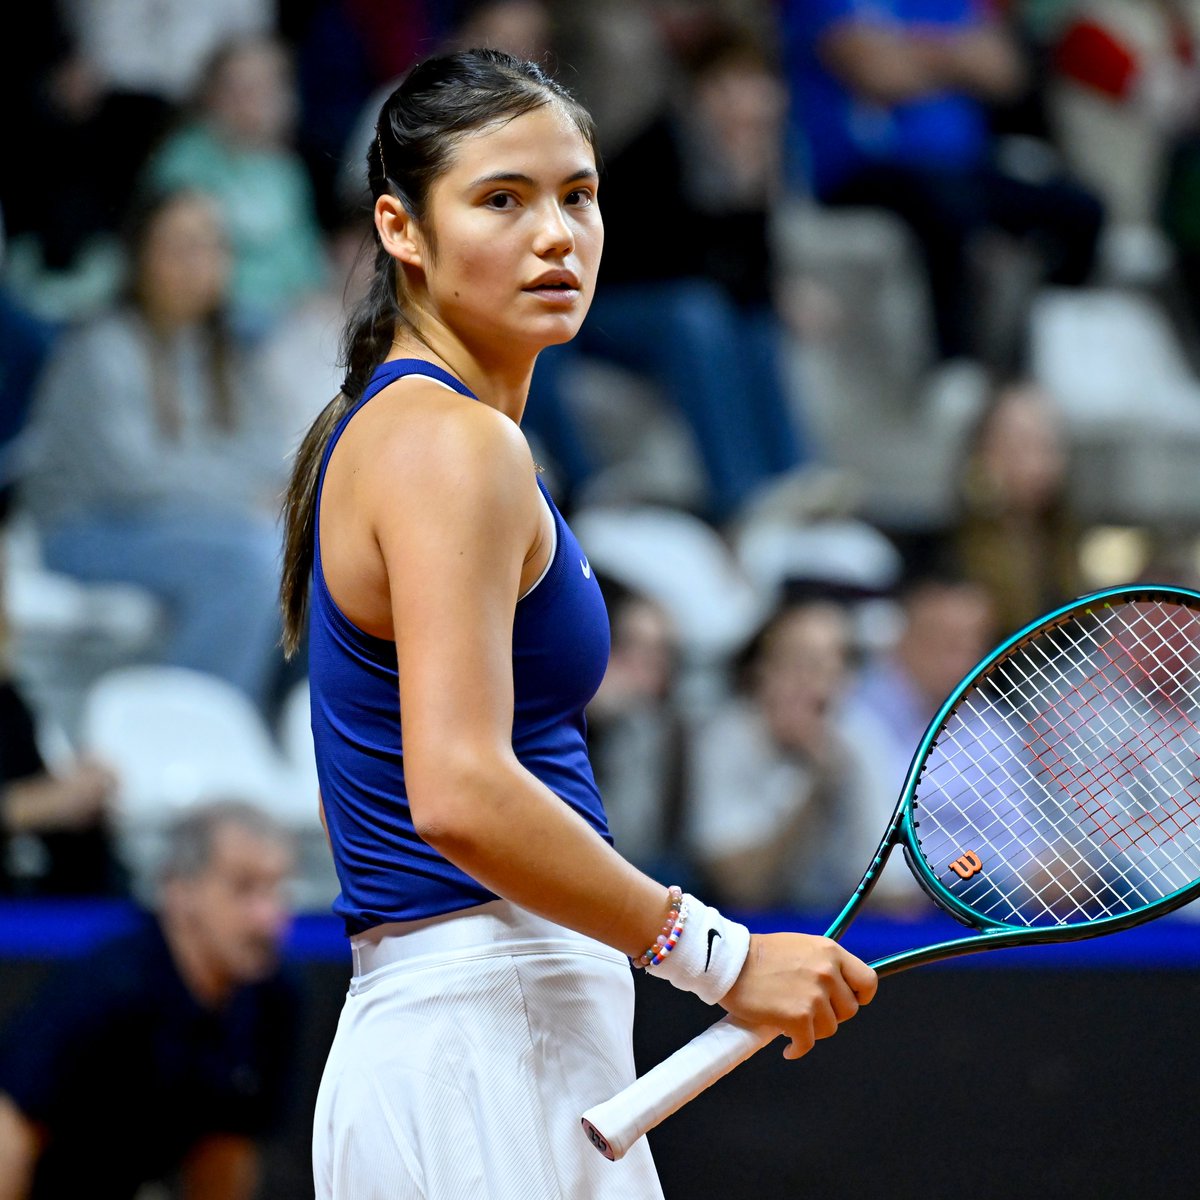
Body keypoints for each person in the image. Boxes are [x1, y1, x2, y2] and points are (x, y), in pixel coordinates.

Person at [277, 48, 877, 1200]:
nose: (557, 234)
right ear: (402, 230)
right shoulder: (454, 442)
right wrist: (722, 955)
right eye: (502, 199)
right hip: (481, 1043)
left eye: (578, 195)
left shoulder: (405, 432)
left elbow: (366, 781)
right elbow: (453, 791)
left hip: (477, 1031)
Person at [12, 185, 292, 712]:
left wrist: (257, 496)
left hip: (190, 527)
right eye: (181, 247)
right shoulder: (100, 346)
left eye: (212, 247)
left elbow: (264, 453)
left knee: (311, 552)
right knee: (249, 561)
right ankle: (180, 730)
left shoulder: (228, 357)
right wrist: (244, 497)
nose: (200, 263)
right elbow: (131, 475)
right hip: (85, 528)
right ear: (141, 257)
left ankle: (270, 732)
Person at [0, 798, 302, 1200]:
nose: (269, 916)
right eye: (244, 888)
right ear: (179, 890)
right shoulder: (111, 987)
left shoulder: (274, 997)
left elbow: (225, 1150)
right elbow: (11, 1127)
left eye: (276, 888)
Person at [780, 0, 1106, 365]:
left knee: (1081, 209)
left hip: (964, 168)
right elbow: (877, 72)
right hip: (861, 171)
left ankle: (1042, 368)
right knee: (947, 209)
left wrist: (909, 53)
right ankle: (956, 369)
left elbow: (1005, 71)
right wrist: (957, 56)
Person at [686, 591, 892, 912]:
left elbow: (894, 891)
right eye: (800, 663)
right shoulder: (725, 738)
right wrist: (812, 787)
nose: (814, 685)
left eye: (831, 667)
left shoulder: (860, 737)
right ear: (760, 673)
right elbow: (743, 889)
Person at [950, 375, 1083, 635]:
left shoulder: (1073, 551)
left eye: (1047, 446)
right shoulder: (946, 555)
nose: (1037, 462)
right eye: (1019, 444)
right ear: (981, 452)